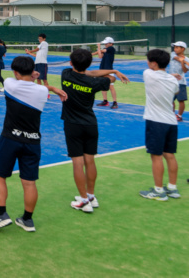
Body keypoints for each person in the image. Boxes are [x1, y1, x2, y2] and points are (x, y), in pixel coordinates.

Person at [0, 56, 67, 234]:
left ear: (15, 72)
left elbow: (17, 81)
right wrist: (50, 86)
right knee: (29, 183)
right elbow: (39, 87)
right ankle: (27, 220)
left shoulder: (9, 84)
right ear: (32, 71)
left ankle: (1, 215)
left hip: (9, 139)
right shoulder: (40, 92)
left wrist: (30, 76)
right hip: (32, 141)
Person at [61, 48, 129, 213]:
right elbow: (108, 78)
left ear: (71, 63)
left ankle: (84, 200)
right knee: (89, 161)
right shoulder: (95, 83)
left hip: (73, 125)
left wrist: (103, 72)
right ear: (89, 64)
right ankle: (91, 196)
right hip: (91, 125)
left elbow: (88, 73)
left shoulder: (66, 74)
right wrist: (113, 71)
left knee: (78, 163)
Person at [139, 49, 181, 201]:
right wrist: (171, 77)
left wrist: (170, 76)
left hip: (156, 122)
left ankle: (158, 191)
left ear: (154, 63)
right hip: (171, 122)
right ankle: (172, 188)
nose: (147, 63)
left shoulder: (147, 74)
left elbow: (154, 74)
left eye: (149, 61)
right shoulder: (173, 81)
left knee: (156, 157)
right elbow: (175, 91)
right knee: (169, 155)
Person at [94, 37, 119, 109]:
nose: (105, 44)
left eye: (106, 43)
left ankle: (115, 102)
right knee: (103, 86)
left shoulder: (111, 48)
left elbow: (102, 51)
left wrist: (99, 47)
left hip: (109, 70)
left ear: (111, 43)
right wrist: (98, 48)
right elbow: (99, 56)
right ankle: (105, 101)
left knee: (111, 87)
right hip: (102, 70)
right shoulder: (105, 50)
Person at [168, 41, 188, 121]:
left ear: (183, 49)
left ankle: (179, 116)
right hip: (170, 81)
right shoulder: (172, 54)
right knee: (170, 100)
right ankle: (171, 115)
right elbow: (178, 58)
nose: (175, 49)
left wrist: (183, 62)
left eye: (177, 47)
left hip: (181, 83)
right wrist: (183, 61)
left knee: (181, 100)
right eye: (174, 47)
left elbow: (185, 70)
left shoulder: (187, 59)